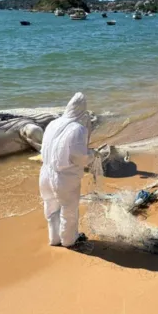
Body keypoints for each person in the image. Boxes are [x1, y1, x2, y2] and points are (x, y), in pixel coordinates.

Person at [39, 92, 96, 250]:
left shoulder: (53, 123)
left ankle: (54, 238)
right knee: (68, 209)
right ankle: (69, 241)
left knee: (51, 207)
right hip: (64, 177)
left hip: (45, 173)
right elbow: (79, 157)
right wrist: (93, 154)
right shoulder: (78, 129)